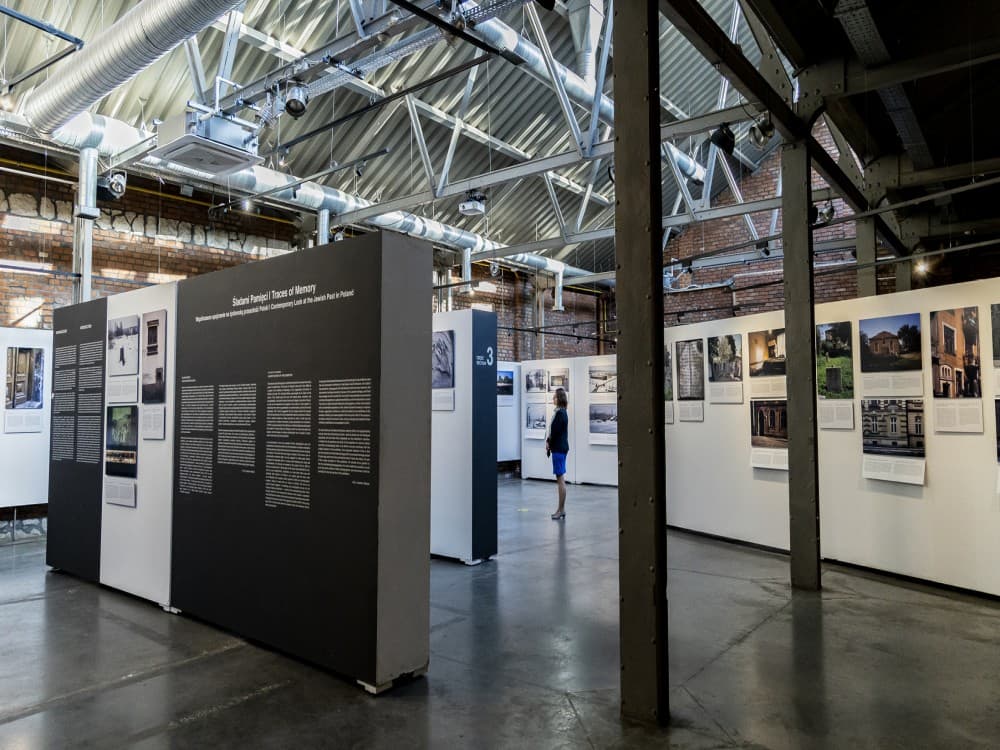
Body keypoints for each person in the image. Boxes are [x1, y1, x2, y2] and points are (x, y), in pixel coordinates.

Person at [546, 387, 569, 520]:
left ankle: (560, 510)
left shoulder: (560, 414)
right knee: (561, 479)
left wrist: (549, 443)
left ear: (559, 398)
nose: (553, 399)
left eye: (554, 397)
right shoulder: (562, 412)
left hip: (558, 449)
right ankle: (561, 509)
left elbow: (554, 433)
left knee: (560, 480)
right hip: (561, 448)